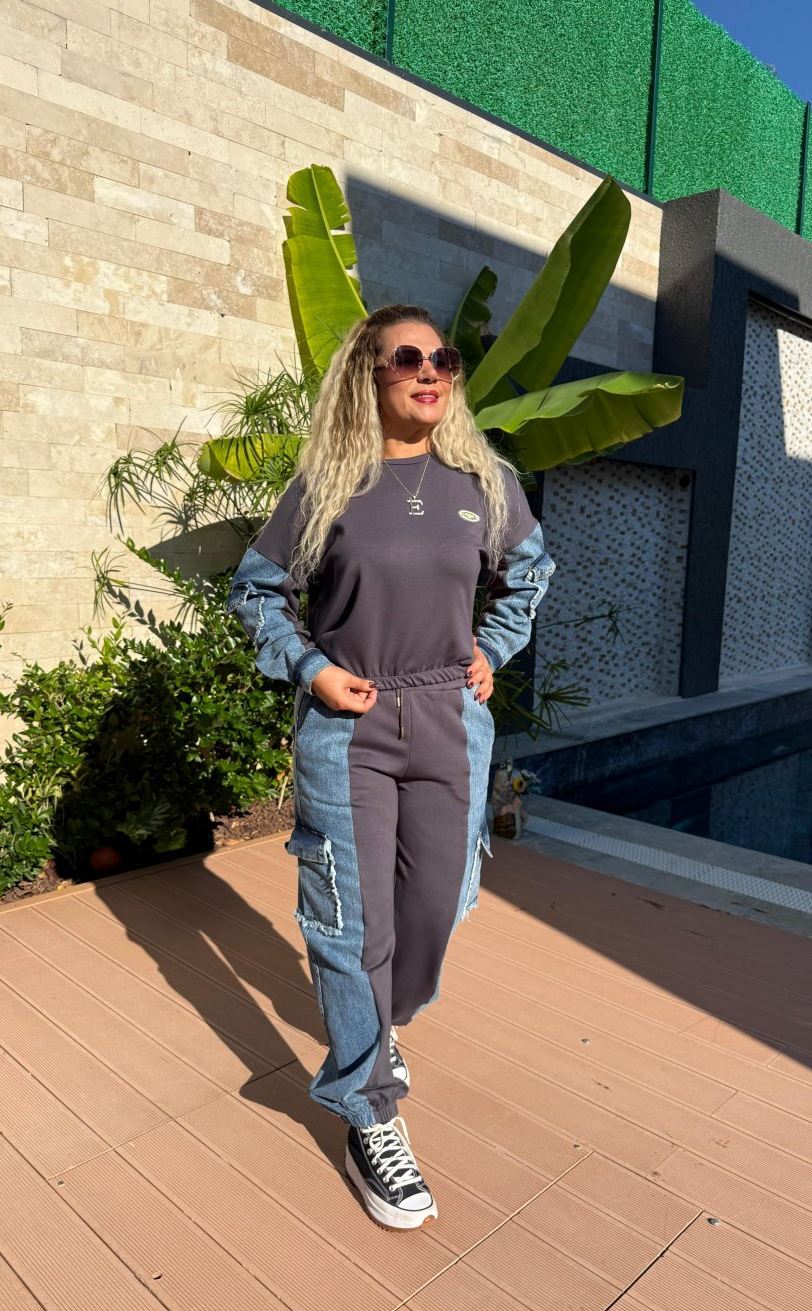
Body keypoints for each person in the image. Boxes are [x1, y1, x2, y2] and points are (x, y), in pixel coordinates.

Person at [227, 304, 555, 1230]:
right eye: (406, 358)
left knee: (436, 903)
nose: (429, 371)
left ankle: (382, 1021)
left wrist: (494, 645)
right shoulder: (326, 486)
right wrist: (312, 669)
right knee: (348, 921)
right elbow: (255, 590)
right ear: (367, 376)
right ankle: (368, 1110)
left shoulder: (485, 482)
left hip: (452, 716)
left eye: (441, 358)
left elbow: (530, 571)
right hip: (352, 725)